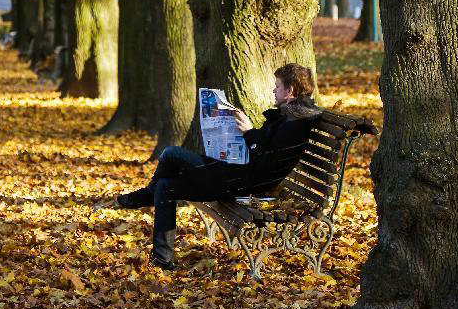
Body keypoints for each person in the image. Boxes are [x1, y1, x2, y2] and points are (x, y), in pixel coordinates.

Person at [95, 63, 321, 270]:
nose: (274, 90)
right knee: (165, 186)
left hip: (241, 181)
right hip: (237, 173)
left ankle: (143, 196)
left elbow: (264, 158)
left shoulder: (294, 124)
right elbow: (262, 151)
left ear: (289, 91)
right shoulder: (290, 117)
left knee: (171, 153)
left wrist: (250, 133)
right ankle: (162, 259)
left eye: (277, 86)